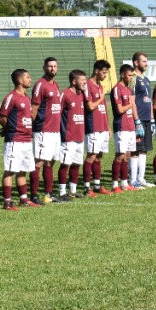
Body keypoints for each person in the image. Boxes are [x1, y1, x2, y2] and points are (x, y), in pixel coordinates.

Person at [0, 68, 36, 209]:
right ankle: (7, 202)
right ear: (20, 80)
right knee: (10, 170)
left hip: (26, 140)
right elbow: (1, 116)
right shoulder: (11, 97)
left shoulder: (26, 97)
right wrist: (10, 128)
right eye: (27, 77)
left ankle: (23, 199)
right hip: (15, 140)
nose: (30, 79)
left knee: (22, 170)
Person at [30, 57, 62, 204]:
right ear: (44, 68)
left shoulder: (55, 85)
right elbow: (34, 108)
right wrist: (30, 127)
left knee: (51, 161)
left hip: (55, 131)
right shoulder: (40, 85)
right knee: (39, 162)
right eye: (50, 66)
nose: (53, 69)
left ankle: (48, 194)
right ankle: (34, 196)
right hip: (43, 129)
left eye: (55, 66)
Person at [58, 69, 88, 198]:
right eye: (82, 80)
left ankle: (73, 190)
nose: (84, 83)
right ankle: (62, 192)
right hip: (68, 136)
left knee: (76, 164)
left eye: (85, 80)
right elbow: (56, 113)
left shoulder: (81, 94)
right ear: (73, 81)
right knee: (65, 164)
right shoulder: (64, 94)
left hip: (79, 136)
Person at [83, 60, 112, 194]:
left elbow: (103, 109)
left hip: (102, 127)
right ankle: (87, 187)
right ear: (96, 71)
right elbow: (90, 106)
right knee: (91, 156)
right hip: (93, 126)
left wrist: (108, 127)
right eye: (103, 72)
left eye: (106, 73)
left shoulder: (100, 86)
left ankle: (97, 185)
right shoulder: (87, 85)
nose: (105, 75)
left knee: (99, 157)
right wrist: (101, 98)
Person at [110, 63, 137, 190]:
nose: (131, 78)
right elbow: (120, 110)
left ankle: (125, 183)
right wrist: (131, 105)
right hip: (121, 126)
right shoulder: (117, 89)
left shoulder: (128, 89)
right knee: (120, 155)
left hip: (130, 126)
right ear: (122, 74)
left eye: (132, 76)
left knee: (127, 155)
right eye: (129, 75)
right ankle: (115, 184)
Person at [130, 51, 154, 188]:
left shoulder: (146, 79)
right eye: (143, 61)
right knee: (135, 150)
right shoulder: (133, 78)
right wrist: (136, 120)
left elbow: (149, 101)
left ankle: (141, 178)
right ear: (136, 62)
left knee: (144, 149)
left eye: (146, 61)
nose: (146, 64)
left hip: (147, 119)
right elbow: (132, 101)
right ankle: (132, 180)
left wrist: (152, 119)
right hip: (137, 119)